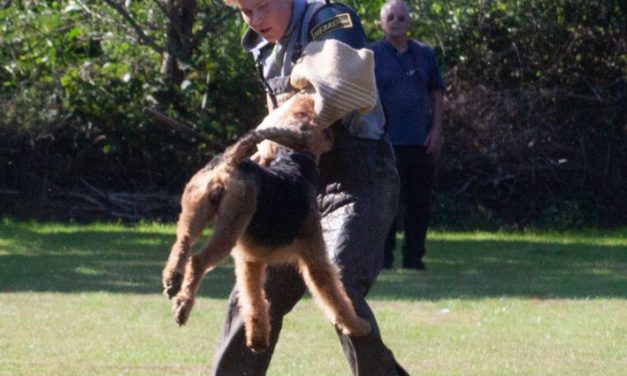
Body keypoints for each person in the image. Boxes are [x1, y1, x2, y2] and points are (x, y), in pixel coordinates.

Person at [211, 0, 408, 375]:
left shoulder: (329, 17)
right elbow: (278, 110)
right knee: (253, 296)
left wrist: (269, 133)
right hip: (296, 180)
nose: (255, 20)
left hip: (357, 175)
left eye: (262, 6)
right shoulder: (259, 42)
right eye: (245, 11)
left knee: (342, 286)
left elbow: (336, 88)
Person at [369, 0, 444, 271]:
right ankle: (384, 260)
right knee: (386, 205)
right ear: (382, 22)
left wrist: (436, 131)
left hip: (420, 143)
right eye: (391, 17)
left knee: (419, 205)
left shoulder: (425, 54)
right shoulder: (372, 54)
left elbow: (437, 94)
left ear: (409, 22)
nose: (397, 21)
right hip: (385, 144)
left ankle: (414, 259)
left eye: (402, 17)